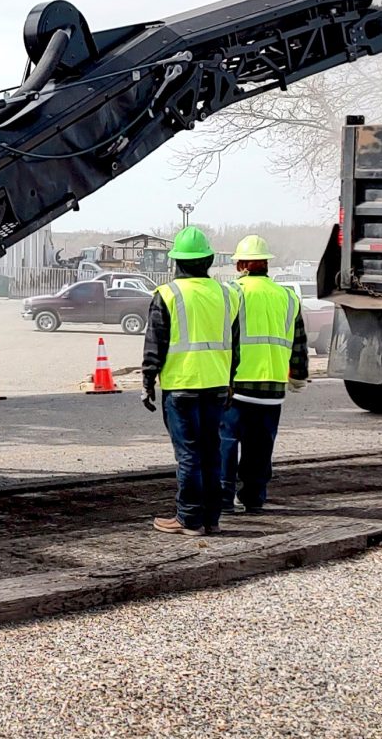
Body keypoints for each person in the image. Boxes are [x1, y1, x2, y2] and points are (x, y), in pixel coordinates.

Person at [141, 225, 238, 536]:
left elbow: (155, 344)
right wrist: (230, 381)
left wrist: (147, 382)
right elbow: (233, 345)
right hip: (216, 386)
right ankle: (211, 518)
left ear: (176, 262)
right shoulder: (227, 295)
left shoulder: (167, 294)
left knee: (188, 455)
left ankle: (189, 518)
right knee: (212, 453)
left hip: (181, 387)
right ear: (208, 260)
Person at [220, 234, 308, 514]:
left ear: (241, 265)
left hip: (239, 385)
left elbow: (227, 340)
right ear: (266, 265)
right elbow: (299, 342)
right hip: (272, 388)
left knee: (228, 441)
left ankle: (224, 497)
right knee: (261, 445)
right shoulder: (288, 297)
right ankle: (254, 497)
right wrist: (298, 376)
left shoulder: (234, 293)